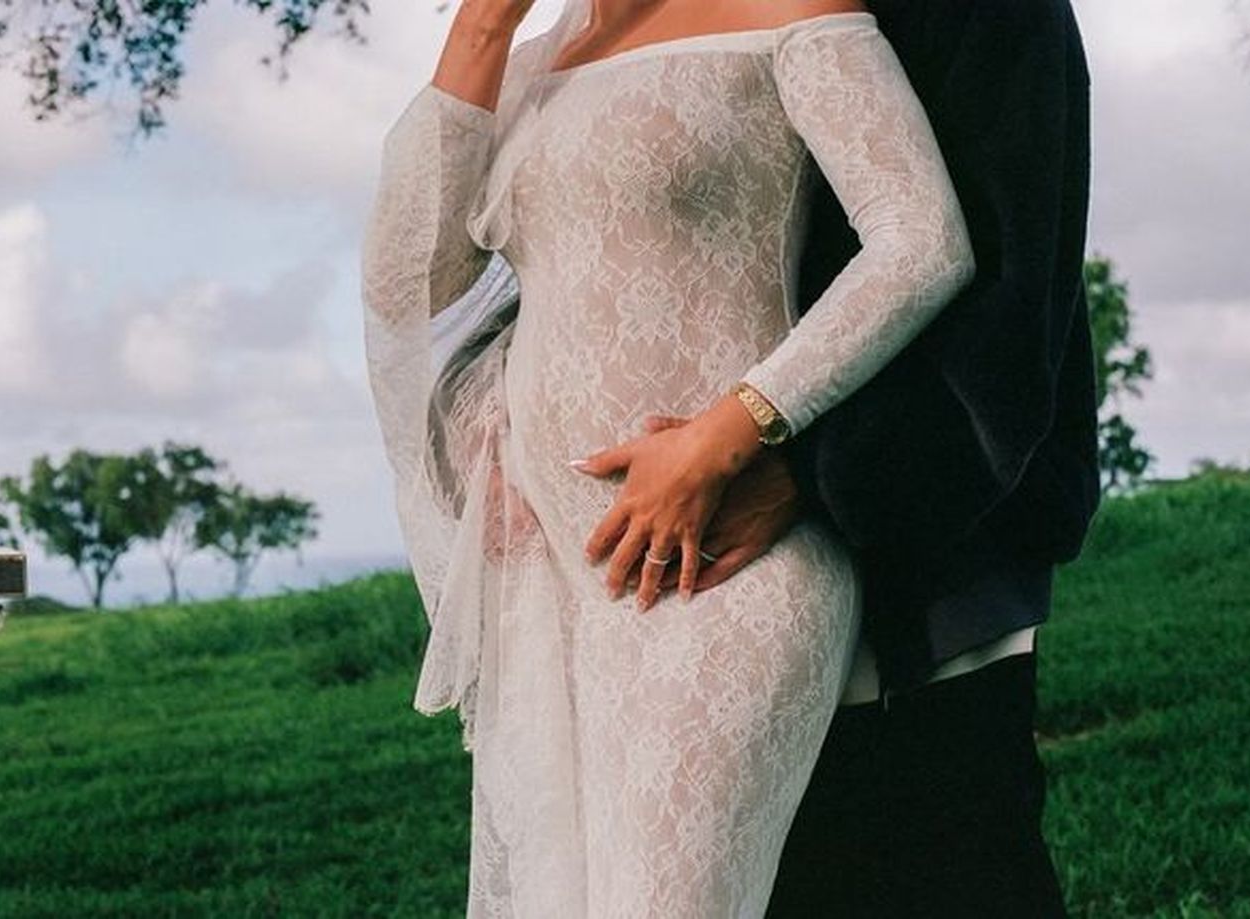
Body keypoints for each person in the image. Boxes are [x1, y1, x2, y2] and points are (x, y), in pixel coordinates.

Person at [359, 0, 978, 914]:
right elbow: (406, 288)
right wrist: (482, 29)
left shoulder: (790, 12)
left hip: (721, 567)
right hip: (554, 592)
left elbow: (922, 241)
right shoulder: (525, 69)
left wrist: (731, 430)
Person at [594, 0, 1100, 915]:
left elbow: (1006, 316)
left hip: (929, 554)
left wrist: (801, 470)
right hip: (699, 565)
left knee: (939, 871)